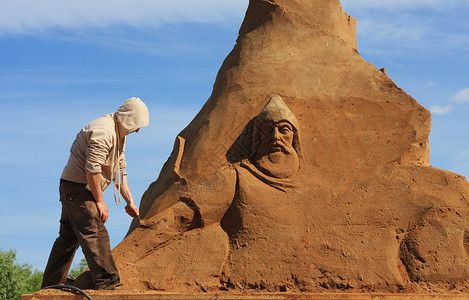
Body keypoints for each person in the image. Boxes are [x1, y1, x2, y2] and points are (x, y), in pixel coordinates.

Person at [42, 97, 149, 290]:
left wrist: (130, 201)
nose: (138, 130)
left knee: (68, 238)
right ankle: (107, 283)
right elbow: (92, 169)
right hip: (77, 187)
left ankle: (50, 286)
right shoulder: (104, 131)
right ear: (128, 118)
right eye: (137, 124)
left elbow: (118, 171)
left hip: (73, 187)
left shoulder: (118, 134)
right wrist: (100, 202)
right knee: (94, 230)